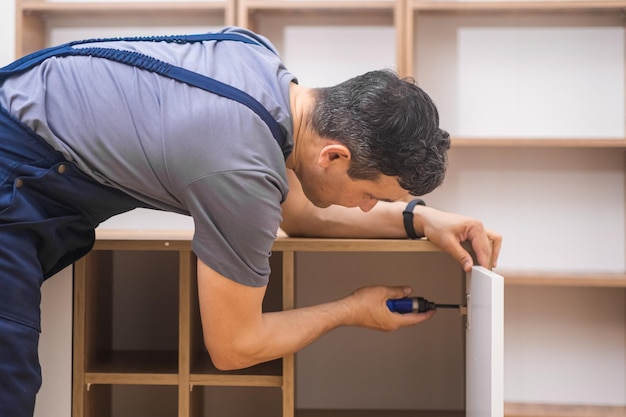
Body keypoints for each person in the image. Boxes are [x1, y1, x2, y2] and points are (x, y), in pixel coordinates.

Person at [0, 26, 501, 416]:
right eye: (371, 194)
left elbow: (297, 213)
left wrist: (420, 219)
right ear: (333, 157)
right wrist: (352, 310)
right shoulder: (241, 167)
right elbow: (235, 346)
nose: (370, 207)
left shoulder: (261, 66)